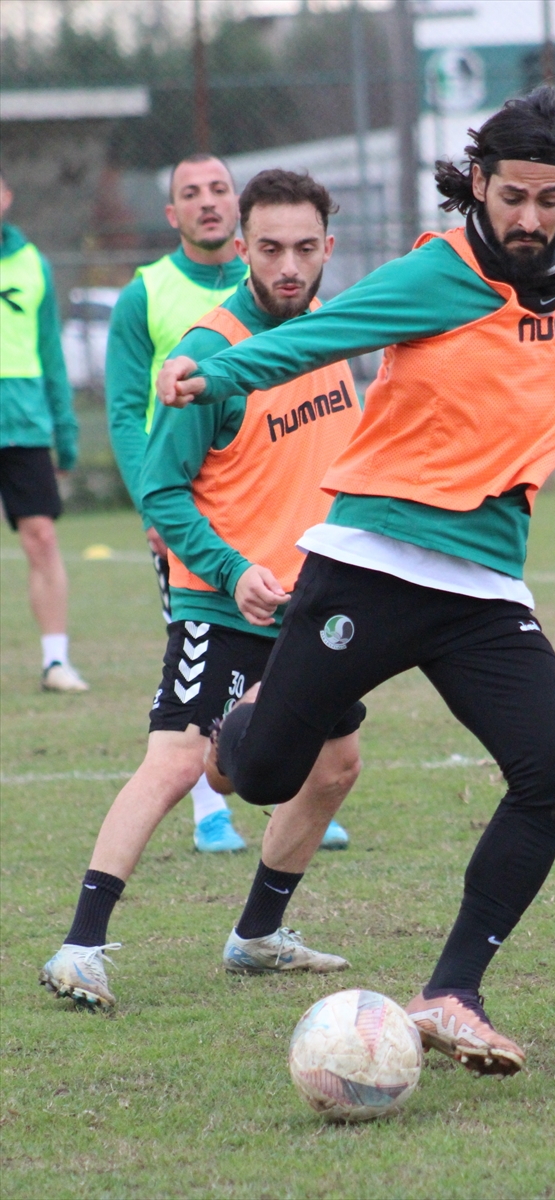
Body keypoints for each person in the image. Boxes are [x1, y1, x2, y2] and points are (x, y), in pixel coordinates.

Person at [157, 89, 555, 1076]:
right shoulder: (441, 272)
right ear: (478, 183)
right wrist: (213, 374)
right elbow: (321, 334)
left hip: (481, 588)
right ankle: (251, 714)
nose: (527, 218)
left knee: (554, 771)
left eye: (548, 200)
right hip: (370, 562)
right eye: (510, 195)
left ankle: (453, 993)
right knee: (259, 775)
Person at [40, 169, 365, 1011]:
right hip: (223, 599)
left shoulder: (331, 335)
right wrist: (230, 569)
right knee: (177, 761)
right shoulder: (215, 352)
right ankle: (79, 946)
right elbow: (159, 487)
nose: (288, 266)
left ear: (327, 247)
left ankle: (257, 935)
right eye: (269, 249)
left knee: (333, 767)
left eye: (304, 248)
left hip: (310, 599)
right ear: (243, 249)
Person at [105, 153, 349, 853]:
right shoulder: (155, 299)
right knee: (189, 722)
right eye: (192, 192)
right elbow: (130, 413)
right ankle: (211, 809)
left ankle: (271, 782)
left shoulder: (318, 316)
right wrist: (153, 509)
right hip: (206, 526)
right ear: (173, 212)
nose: (207, 201)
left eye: (218, 187)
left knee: (311, 741)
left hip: (297, 560)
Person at [0, 173, 87, 692]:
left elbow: (51, 354)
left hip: (23, 425)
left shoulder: (33, 263)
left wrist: (65, 428)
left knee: (42, 538)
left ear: (8, 196)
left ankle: (56, 661)